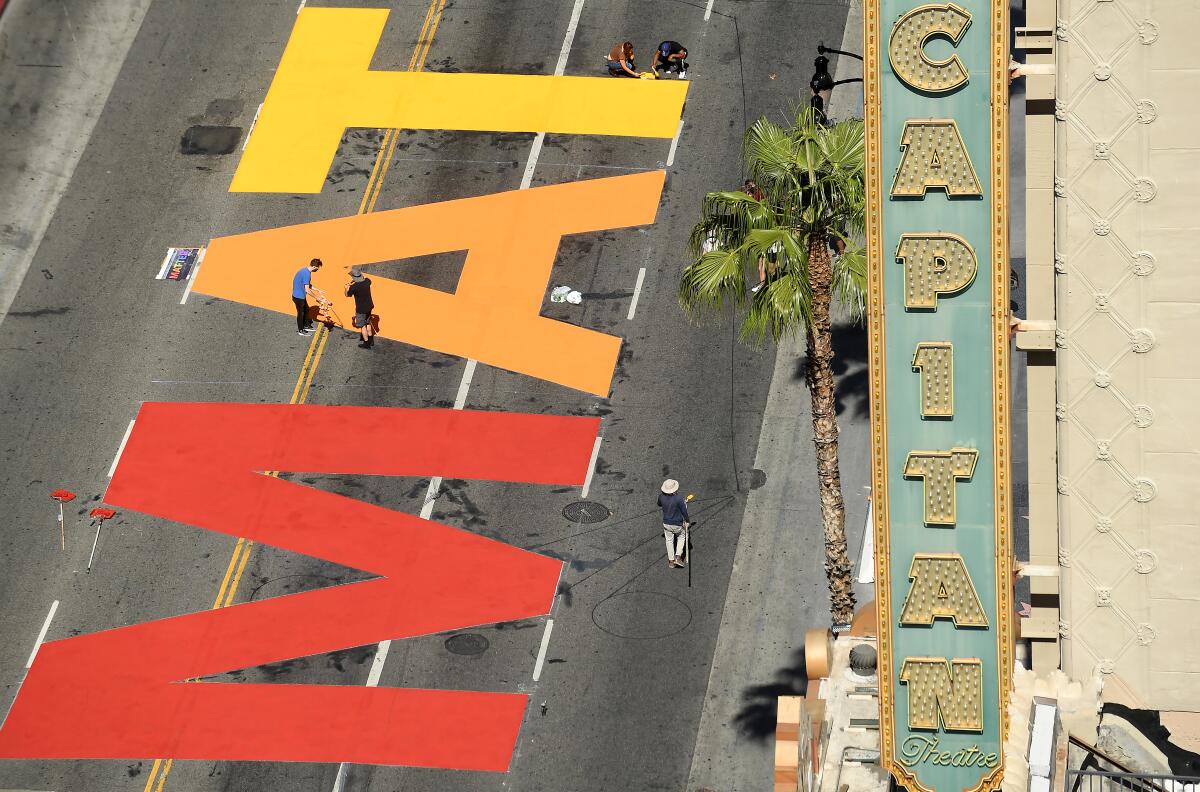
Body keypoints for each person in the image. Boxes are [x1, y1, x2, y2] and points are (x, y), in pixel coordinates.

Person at [657, 479, 690, 569]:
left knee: (669, 541)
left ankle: (671, 562)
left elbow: (659, 504)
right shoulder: (678, 498)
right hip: (677, 524)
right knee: (682, 536)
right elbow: (684, 511)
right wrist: (687, 521)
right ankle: (678, 557)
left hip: (666, 523)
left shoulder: (661, 497)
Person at [344, 267, 376, 349]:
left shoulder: (354, 287)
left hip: (361, 309)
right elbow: (366, 280)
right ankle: (371, 340)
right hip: (369, 306)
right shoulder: (367, 281)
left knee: (362, 326)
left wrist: (346, 288)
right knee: (368, 323)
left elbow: (347, 295)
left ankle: (366, 344)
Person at [291, 258, 322, 335]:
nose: (318, 269)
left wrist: (317, 290)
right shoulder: (307, 274)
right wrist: (317, 297)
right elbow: (307, 289)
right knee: (301, 314)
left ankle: (306, 325)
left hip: (300, 296)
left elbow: (307, 284)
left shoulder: (305, 270)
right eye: (318, 268)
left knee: (306, 310)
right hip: (299, 297)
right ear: (315, 267)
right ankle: (301, 330)